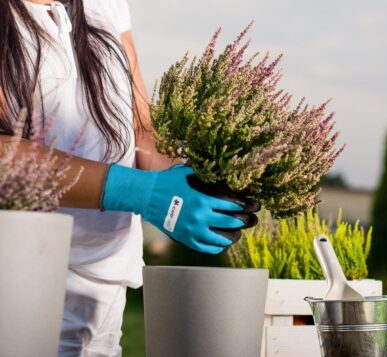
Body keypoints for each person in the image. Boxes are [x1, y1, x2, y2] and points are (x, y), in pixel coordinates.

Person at [0, 1, 257, 355]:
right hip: (22, 286)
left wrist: (182, 184)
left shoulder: (104, 5)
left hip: (108, 286)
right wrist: (137, 191)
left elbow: (139, 128)